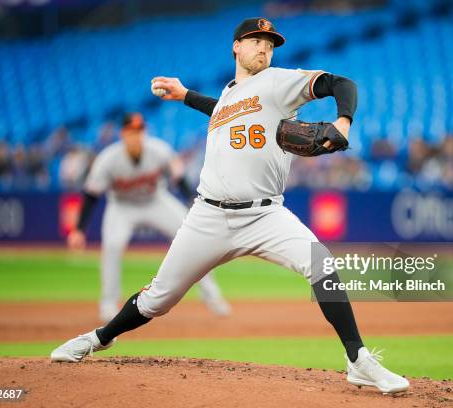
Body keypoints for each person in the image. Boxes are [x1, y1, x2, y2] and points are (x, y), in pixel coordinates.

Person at [51, 17, 409, 394]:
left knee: (320, 261)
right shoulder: (230, 95)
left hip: (266, 214)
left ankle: (358, 360)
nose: (265, 48)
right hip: (208, 216)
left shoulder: (278, 82)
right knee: (158, 299)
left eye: (270, 43)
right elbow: (223, 109)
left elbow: (341, 83)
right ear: (236, 46)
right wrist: (186, 94)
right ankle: (98, 338)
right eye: (257, 40)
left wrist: (343, 122)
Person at [66, 112, 231, 321]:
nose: (136, 135)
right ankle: (108, 303)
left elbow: (179, 178)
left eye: (140, 131)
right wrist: (79, 229)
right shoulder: (108, 159)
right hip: (122, 206)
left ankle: (212, 295)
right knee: (113, 245)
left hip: (156, 200)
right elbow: (91, 195)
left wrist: (192, 203)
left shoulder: (159, 150)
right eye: (132, 131)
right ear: (123, 134)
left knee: (192, 238)